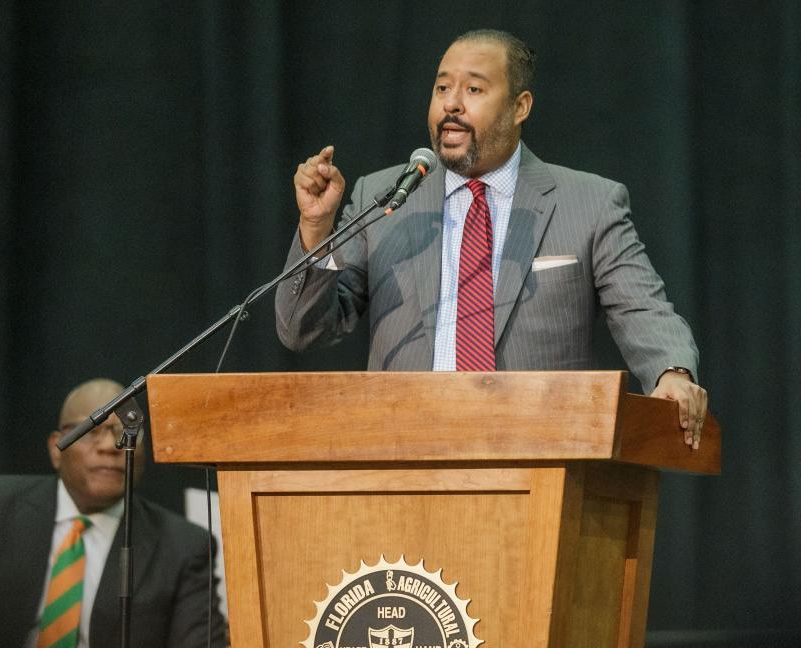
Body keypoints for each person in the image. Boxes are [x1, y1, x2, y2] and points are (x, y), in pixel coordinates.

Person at [276, 28, 708, 448]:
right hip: (403, 452)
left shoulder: (589, 204)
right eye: (442, 88)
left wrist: (671, 372)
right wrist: (316, 230)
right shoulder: (386, 199)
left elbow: (643, 308)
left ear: (520, 106)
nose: (451, 104)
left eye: (474, 91)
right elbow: (302, 330)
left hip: (538, 455)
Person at [0, 378, 227, 648]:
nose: (110, 445)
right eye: (92, 430)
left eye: (125, 432)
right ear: (57, 448)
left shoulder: (184, 546)